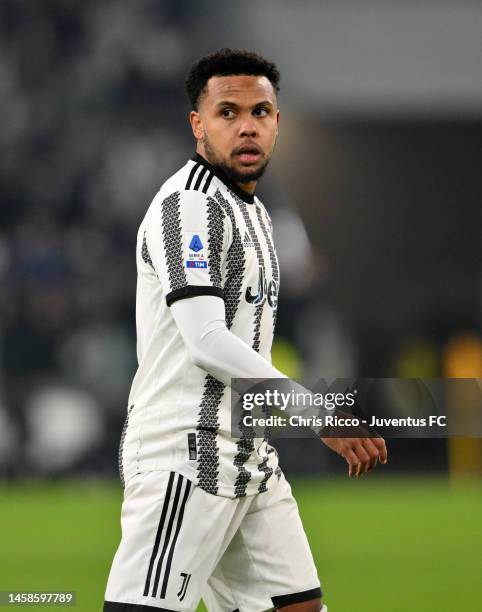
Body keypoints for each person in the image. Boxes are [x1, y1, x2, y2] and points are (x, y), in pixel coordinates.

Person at [103, 48, 387, 612]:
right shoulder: (190, 207)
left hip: (249, 457)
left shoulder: (253, 211)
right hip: (186, 455)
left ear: (278, 122)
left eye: (260, 112)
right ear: (197, 124)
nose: (247, 126)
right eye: (227, 113)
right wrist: (315, 413)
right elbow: (206, 340)